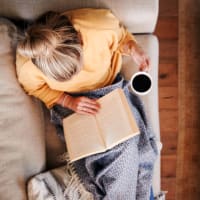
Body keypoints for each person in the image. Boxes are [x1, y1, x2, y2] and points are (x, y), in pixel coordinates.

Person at [16, 8, 157, 199]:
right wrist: (68, 100)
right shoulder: (28, 64)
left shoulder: (98, 26)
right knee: (101, 152)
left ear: (81, 39)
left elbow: (121, 39)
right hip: (71, 104)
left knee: (129, 145)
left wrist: (132, 48)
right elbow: (36, 88)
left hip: (108, 90)